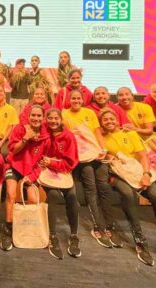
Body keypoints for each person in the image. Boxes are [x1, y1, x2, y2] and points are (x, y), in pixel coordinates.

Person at [99, 109, 156, 269]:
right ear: (101, 123)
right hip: (117, 175)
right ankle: (140, 241)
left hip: (137, 172)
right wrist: (109, 156)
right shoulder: (101, 138)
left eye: (111, 118)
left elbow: (143, 156)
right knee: (128, 195)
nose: (109, 121)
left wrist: (146, 174)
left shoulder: (130, 134)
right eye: (105, 120)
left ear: (117, 120)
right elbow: (102, 155)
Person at [62, 90, 121, 248]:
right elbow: (67, 136)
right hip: (81, 157)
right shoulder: (64, 113)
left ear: (82, 100)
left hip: (96, 153)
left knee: (104, 187)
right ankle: (98, 225)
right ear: (69, 100)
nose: (76, 100)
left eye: (78, 98)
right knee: (91, 188)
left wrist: (103, 149)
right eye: (73, 98)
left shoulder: (89, 112)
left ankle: (110, 225)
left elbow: (96, 132)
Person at [1, 105, 49, 251]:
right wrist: (25, 139)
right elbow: (13, 151)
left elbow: (43, 163)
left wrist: (32, 176)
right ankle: (8, 227)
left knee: (34, 200)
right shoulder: (20, 129)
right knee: (11, 194)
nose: (36, 118)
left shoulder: (46, 136)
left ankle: (25, 226)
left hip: (31, 172)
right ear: (28, 117)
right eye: (33, 115)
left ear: (43, 118)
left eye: (39, 116)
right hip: (14, 166)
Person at [42, 108, 81, 259]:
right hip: (45, 173)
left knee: (71, 196)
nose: (53, 121)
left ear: (61, 120)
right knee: (52, 195)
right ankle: (52, 235)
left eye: (55, 118)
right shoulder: (44, 133)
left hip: (63, 172)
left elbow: (70, 162)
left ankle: (74, 234)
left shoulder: (68, 137)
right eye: (50, 118)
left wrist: (52, 162)